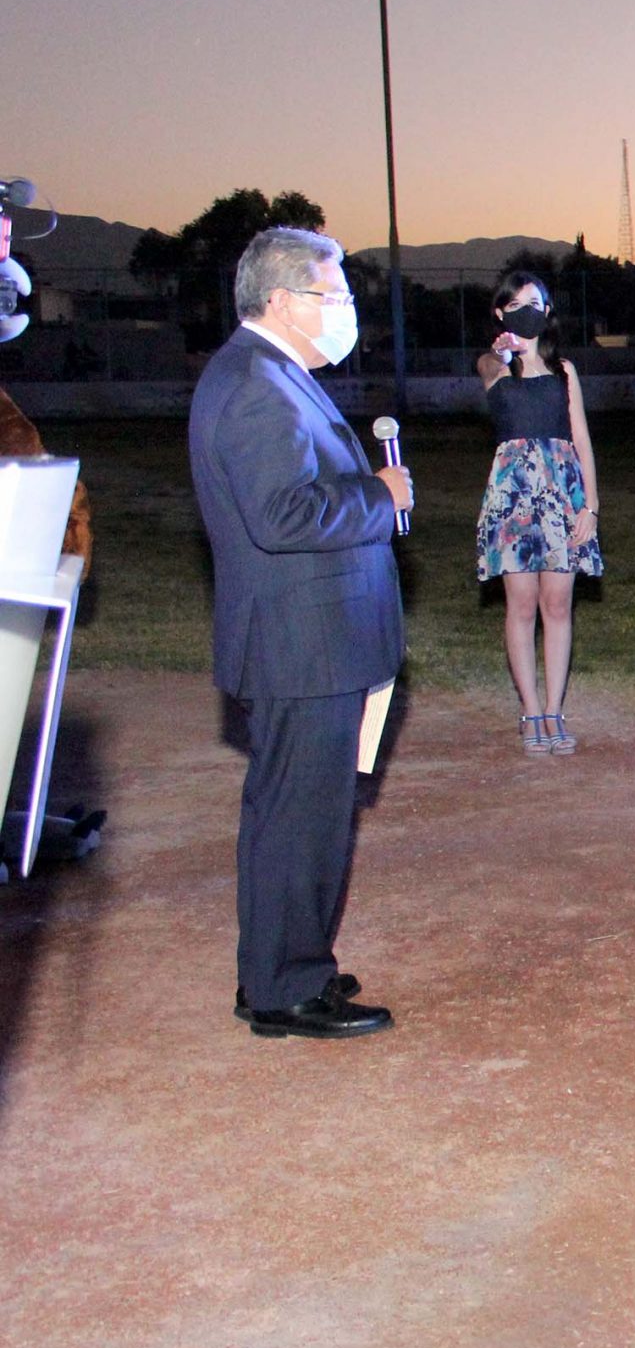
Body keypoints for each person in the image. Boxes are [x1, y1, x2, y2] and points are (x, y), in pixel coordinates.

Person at [187, 227, 406, 1038]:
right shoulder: (256, 384)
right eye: (334, 295)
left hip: (311, 638)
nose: (345, 310)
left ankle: (282, 965)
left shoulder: (271, 373)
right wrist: (381, 495)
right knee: (298, 820)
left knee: (295, 814)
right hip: (302, 643)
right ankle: (284, 988)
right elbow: (283, 516)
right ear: (282, 300)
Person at [472, 271, 602, 755]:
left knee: (558, 605)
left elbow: (581, 439)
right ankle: (530, 710)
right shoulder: (494, 366)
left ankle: (554, 710)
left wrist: (590, 505)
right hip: (513, 497)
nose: (528, 310)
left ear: (548, 312)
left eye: (536, 302)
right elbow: (488, 364)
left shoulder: (564, 370)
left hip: (562, 493)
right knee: (522, 605)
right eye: (517, 303)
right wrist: (504, 352)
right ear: (500, 311)